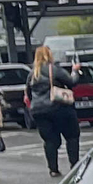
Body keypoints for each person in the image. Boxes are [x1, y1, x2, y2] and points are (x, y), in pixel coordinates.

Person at [27, 44, 82, 176]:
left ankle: (53, 169)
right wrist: (75, 71)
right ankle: (74, 166)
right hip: (59, 108)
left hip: (39, 111)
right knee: (72, 136)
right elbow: (71, 82)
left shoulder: (32, 73)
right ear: (49, 55)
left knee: (50, 140)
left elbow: (28, 93)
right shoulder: (54, 70)